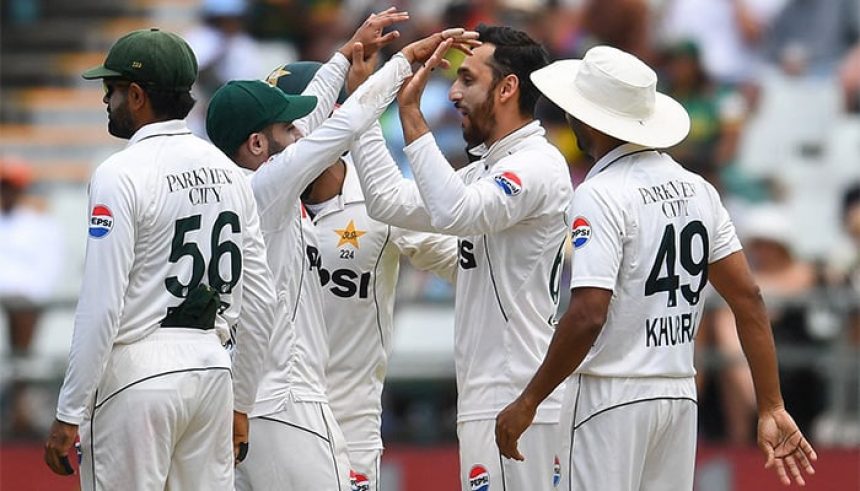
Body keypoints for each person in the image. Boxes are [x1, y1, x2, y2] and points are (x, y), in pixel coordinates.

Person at [495, 45, 817, 489]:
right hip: (678, 394)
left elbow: (589, 313)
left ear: (588, 120)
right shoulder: (697, 188)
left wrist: (528, 401)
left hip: (609, 395)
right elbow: (749, 297)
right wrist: (771, 405)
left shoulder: (600, 192)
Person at [205, 18, 478, 489]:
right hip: (281, 403)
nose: (299, 131)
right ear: (258, 142)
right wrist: (398, 66)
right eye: (289, 124)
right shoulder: (269, 193)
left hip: (344, 420)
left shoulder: (371, 200)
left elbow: (462, 262)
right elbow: (342, 125)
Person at [42, 28, 277, 490]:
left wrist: (68, 412)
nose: (104, 101)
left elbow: (102, 305)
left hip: (138, 373)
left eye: (109, 90)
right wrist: (241, 402)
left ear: (135, 95)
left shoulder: (119, 174)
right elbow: (262, 301)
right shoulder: (231, 174)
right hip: (212, 369)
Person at [349, 24, 572, 491]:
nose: (452, 93)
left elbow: (454, 211)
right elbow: (387, 201)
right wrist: (367, 100)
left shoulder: (534, 165)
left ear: (508, 87)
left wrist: (409, 111)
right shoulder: (489, 169)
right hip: (492, 391)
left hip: (516, 393)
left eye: (467, 80)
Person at [270, 61, 459, 490]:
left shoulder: (380, 201)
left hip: (348, 423)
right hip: (269, 417)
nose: (273, 140)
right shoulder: (257, 201)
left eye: (285, 124)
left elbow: (464, 267)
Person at [0, 158, 63, 439]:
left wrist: (22, 294)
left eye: (10, 187)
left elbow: (47, 269)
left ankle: (19, 405)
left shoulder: (38, 223)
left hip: (24, 302)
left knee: (22, 338)